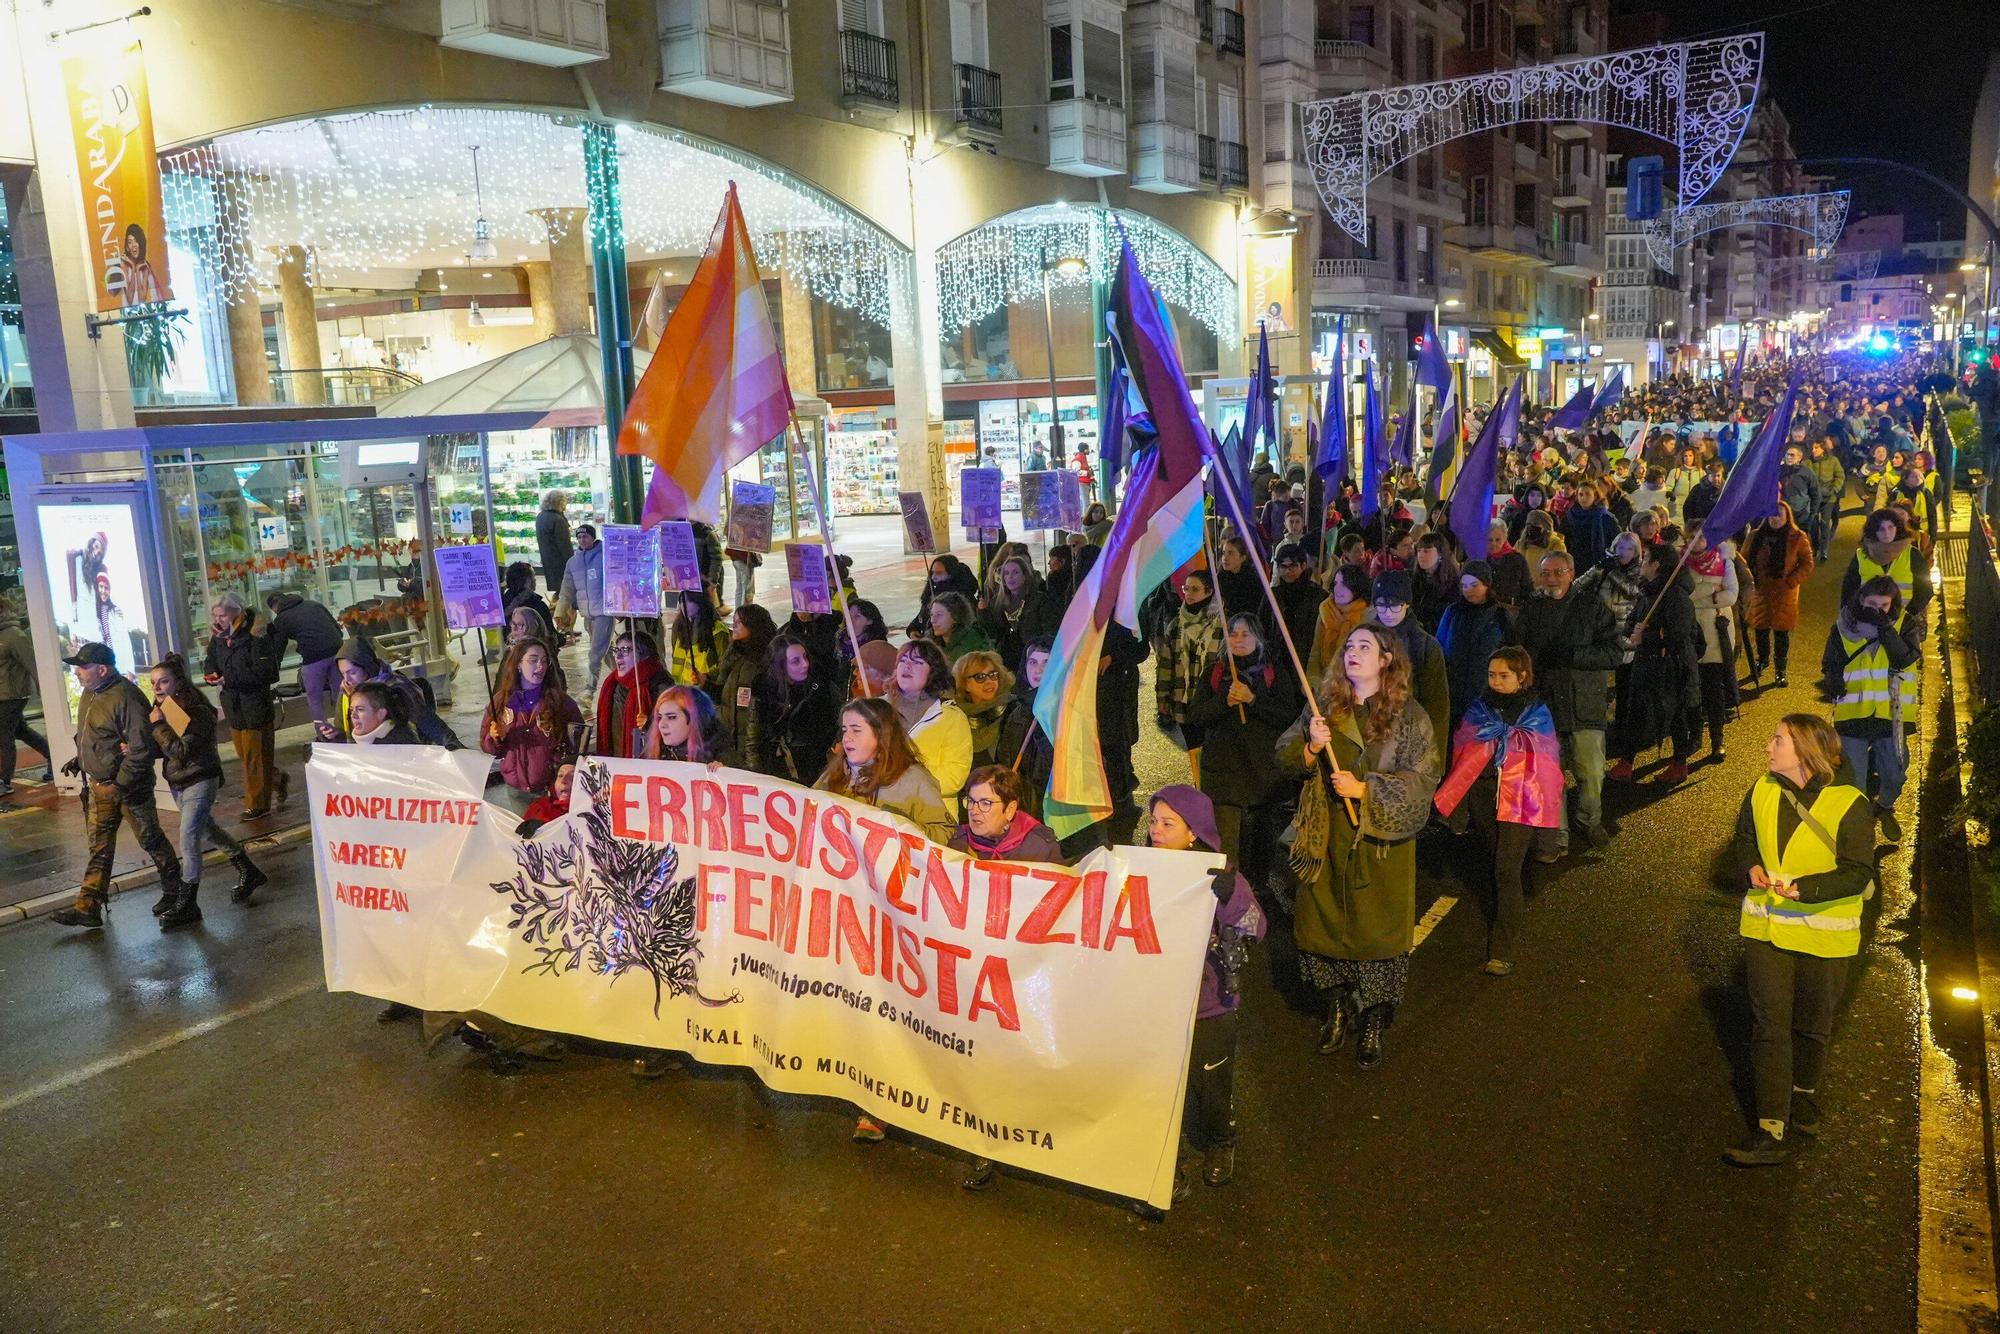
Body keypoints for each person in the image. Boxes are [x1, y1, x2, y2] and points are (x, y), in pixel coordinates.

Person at [1278, 624, 1441, 1069]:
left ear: (1386, 659)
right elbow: (1284, 755)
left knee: (1377, 938)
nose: (1353, 652)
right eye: (1348, 646)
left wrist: (1365, 789)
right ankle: (1335, 1006)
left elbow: (1423, 781)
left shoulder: (1411, 718)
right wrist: (1311, 746)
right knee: (1321, 930)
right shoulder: (1324, 707)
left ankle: (1372, 1018)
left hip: (1379, 848)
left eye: (1364, 646)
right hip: (1326, 841)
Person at [1723, 714, 1876, 1167]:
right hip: (1768, 929)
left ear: (1806, 750)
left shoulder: (1849, 803)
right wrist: (1750, 865)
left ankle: (1804, 1096)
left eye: (1778, 740)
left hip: (1825, 936)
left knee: (1811, 1025)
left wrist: (1807, 889)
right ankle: (1772, 1128)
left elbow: (1858, 872)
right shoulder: (1762, 788)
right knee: (1770, 1026)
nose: (1768, 747)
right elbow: (1744, 837)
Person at [818, 696, 955, 1141]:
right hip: (845, 912)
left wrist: (890, 828)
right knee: (850, 1004)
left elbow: (945, 837)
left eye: (857, 729)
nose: (847, 738)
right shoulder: (838, 775)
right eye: (844, 730)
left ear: (882, 734)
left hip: (891, 918)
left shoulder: (912, 781)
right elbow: (802, 812)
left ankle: (878, 1104)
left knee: (885, 1010)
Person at [1144, 784, 1266, 1198]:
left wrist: (1230, 899)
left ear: (1193, 832)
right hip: (1157, 1004)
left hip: (1210, 1003)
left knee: (1211, 1083)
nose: (1156, 830)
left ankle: (1220, 1140)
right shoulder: (1139, 868)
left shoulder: (1220, 874)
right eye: (1153, 821)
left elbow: (1256, 926)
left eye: (1167, 823)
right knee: (1161, 1084)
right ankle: (1169, 1160)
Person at [1434, 646, 1564, 973]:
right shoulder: (1479, 709)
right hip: (1484, 795)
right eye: (1492, 675)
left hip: (1520, 796)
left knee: (1506, 869)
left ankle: (1502, 949)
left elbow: (1546, 757)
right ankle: (1505, 912)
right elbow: (1463, 751)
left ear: (1522, 676)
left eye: (1503, 675)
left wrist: (1509, 741)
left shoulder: (1536, 712)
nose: (1496, 681)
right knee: (1496, 863)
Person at [51, 644, 187, 930]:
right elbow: (95, 734)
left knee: (150, 839)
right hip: (100, 786)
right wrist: (82, 759)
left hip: (128, 788)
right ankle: (88, 906)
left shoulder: (127, 697)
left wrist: (121, 783)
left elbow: (140, 749)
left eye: (82, 667)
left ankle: (176, 892)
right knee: (99, 848)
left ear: (102, 669)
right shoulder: (91, 693)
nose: (76, 672)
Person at [1509, 550, 1621, 852]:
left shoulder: (1592, 607)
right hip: (1544, 706)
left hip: (1584, 705)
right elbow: (1516, 652)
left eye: (1559, 572)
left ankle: (1589, 820)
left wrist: (1574, 656)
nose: (1552, 579)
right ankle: (1557, 835)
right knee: (1549, 776)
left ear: (1571, 573)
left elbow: (1614, 653)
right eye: (1546, 573)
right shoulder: (1532, 610)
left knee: (1592, 774)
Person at [145, 654, 266, 924]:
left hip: (200, 779)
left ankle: (188, 904)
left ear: (178, 682)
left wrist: (157, 724)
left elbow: (181, 751)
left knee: (189, 839)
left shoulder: (195, 711)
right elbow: (165, 748)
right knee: (209, 830)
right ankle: (249, 870)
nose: (157, 688)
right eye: (153, 683)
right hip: (180, 782)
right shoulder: (167, 709)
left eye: (163, 681)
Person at [1183, 614, 1297, 893]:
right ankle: (1228, 896)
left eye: (1246, 634)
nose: (1239, 640)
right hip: (1223, 772)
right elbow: (1196, 716)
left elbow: (1288, 715)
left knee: (1260, 835)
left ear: (1258, 638)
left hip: (1262, 772)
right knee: (1225, 840)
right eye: (1233, 634)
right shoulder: (1215, 672)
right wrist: (1225, 700)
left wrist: (1253, 700)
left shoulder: (1273, 673)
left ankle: (1258, 889)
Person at [1818, 576, 1920, 843]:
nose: (1876, 610)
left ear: (1892, 604)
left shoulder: (1904, 624)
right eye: (1871, 603)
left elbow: (1906, 658)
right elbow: (1830, 662)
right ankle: (1859, 829)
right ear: (1861, 599)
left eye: (1883, 605)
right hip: (1854, 716)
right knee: (1854, 781)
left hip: (1890, 717)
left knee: (1896, 775)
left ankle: (1884, 807)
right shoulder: (1844, 625)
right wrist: (1833, 681)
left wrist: (1885, 629)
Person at [1611, 543, 1699, 786]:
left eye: (1645, 559)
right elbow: (1632, 621)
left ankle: (1679, 764)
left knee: (1675, 714)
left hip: (1669, 665)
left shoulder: (1676, 595)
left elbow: (1680, 634)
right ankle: (1627, 761)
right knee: (1635, 711)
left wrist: (1648, 636)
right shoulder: (1649, 591)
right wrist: (1634, 631)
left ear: (1656, 565)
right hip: (1645, 661)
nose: (1641, 563)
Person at [480, 639, 583, 809]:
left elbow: (578, 741)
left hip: (551, 790)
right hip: (517, 791)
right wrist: (494, 737)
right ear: (519, 664)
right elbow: (490, 750)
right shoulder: (500, 702)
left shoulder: (561, 702)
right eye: (533, 660)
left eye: (544, 660)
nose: (540, 666)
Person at [888, 639, 973, 811]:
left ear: (933, 672)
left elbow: (955, 776)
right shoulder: (876, 710)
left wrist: (905, 775)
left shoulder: (951, 718)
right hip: (884, 816)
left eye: (917, 662)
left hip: (933, 817)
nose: (907, 666)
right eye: (903, 660)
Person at [1155, 569, 1223, 777]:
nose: (1189, 594)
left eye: (1195, 589)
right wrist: (1163, 697)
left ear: (1209, 591)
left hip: (1211, 701)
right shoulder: (1177, 625)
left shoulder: (1221, 626)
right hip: (1184, 699)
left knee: (1213, 750)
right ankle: (1199, 785)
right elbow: (1166, 664)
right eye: (1186, 588)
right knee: (1194, 750)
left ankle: (1213, 790)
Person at [1741, 502, 1813, 688]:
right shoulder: (1757, 536)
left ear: (1787, 516)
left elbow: (1807, 564)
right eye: (1772, 515)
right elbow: (1744, 559)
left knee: (1782, 633)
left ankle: (1780, 669)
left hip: (1784, 593)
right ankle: (1762, 659)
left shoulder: (1797, 537)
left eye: (1780, 515)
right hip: (1761, 590)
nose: (1775, 519)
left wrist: (1791, 581)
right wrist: (1750, 580)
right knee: (1761, 628)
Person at [1687, 533, 1741, 761]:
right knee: (1692, 688)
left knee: (1713, 688)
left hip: (1715, 633)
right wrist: (1711, 592)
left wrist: (1697, 599)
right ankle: (1695, 736)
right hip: (1690, 631)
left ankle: (1717, 739)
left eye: (1701, 537)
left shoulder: (1724, 561)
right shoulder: (1682, 562)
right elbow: (1681, 593)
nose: (1697, 542)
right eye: (1692, 537)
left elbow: (1731, 595)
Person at [1437, 562, 1511, 726]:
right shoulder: (1453, 612)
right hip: (1452, 694)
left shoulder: (1500, 616)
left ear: (1487, 585)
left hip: (1485, 695)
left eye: (1474, 585)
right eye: (1464, 585)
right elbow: (1439, 647)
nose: (1468, 590)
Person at [763, 633, 842, 785]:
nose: (805, 664)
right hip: (779, 779)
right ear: (781, 666)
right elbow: (754, 741)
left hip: (819, 776)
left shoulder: (823, 688)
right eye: (795, 661)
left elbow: (839, 725)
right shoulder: (764, 692)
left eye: (805, 657)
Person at [1840, 507, 1931, 638]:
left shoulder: (1912, 554)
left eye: (1890, 527)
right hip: (1868, 623)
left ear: (1898, 528)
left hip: (1903, 625)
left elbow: (1925, 589)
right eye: (1881, 529)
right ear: (1873, 531)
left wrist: (1907, 616)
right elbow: (1848, 590)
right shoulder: (1861, 556)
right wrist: (1850, 618)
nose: (1886, 533)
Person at [263, 588, 343, 728]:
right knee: (341, 692)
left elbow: (278, 648)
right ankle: (346, 728)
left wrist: (272, 672)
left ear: (274, 608)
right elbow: (337, 629)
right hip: (337, 651)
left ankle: (324, 734)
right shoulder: (314, 604)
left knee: (314, 698)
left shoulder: (281, 619)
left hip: (313, 658)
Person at [994, 637, 1054, 817]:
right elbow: (1004, 756)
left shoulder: (1065, 711)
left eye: (1047, 663)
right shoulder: (1017, 709)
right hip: (1021, 804)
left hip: (1050, 808)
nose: (1039, 670)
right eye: (1033, 662)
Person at [713, 604, 776, 773]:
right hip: (728, 746)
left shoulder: (764, 662)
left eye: (739, 622)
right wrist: (704, 684)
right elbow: (722, 696)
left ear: (753, 626)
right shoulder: (732, 656)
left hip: (749, 749)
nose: (734, 625)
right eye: (734, 621)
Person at [555, 523, 612, 693]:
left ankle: (589, 690)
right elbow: (566, 589)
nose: (582, 540)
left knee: (595, 653)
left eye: (585, 536)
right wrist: (560, 611)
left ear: (593, 537)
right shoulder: (573, 563)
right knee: (605, 651)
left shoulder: (604, 556)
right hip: (587, 614)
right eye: (579, 537)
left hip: (604, 612)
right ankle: (625, 677)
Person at [0, 598, 49, 795]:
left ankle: (4, 780)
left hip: (13, 695)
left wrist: (43, 689)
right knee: (21, 731)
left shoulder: (14, 636)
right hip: (3, 695)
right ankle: (53, 756)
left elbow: (32, 664)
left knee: (4, 735)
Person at [595, 630, 667, 759]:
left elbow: (675, 727)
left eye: (626, 650)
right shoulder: (612, 684)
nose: (618, 656)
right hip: (615, 763)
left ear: (644, 655)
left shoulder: (661, 686)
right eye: (616, 650)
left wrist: (650, 724)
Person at [978, 555, 1056, 674]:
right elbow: (993, 633)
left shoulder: (1039, 599)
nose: (1010, 577)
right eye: (1007, 573)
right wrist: (983, 612)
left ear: (1025, 576)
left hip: (1034, 657)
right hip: (1007, 660)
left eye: (1015, 572)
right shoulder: (997, 603)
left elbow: (1049, 630)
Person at [1307, 564, 1371, 682]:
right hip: (1325, 682)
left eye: (1344, 585)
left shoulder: (1367, 616)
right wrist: (1313, 679)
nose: (1338, 589)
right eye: (1336, 584)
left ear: (1356, 588)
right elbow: (1315, 651)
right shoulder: (1326, 611)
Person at [952, 650, 1013, 771]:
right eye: (980, 677)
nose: (989, 681)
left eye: (993, 675)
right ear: (965, 684)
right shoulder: (954, 717)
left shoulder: (1013, 711)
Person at [640, 685, 729, 763]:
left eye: (671, 717)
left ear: (695, 719)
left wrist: (724, 773)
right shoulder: (653, 752)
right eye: (659, 717)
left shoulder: (723, 757)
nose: (662, 725)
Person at [1266, 542, 1326, 657]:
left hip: (1306, 657)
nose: (1287, 571)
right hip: (1278, 659)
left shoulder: (1317, 595)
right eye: (1283, 566)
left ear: (1303, 565)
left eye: (1292, 566)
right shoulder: (1272, 596)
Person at [908, 555, 981, 638]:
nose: (933, 577)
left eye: (939, 573)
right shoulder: (931, 594)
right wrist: (913, 630)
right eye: (932, 573)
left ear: (952, 575)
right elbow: (922, 616)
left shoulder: (961, 601)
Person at [668, 589, 728, 688]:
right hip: (682, 691)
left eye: (689, 601)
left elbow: (724, 665)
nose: (684, 605)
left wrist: (706, 678)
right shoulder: (679, 627)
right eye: (682, 601)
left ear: (700, 601)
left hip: (704, 691)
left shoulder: (717, 630)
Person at [1561, 481, 1621, 575]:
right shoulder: (1571, 515)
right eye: (1580, 494)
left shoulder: (1604, 517)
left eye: (1588, 494)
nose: (1584, 498)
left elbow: (1616, 541)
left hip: (1596, 565)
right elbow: (1564, 538)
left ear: (1595, 496)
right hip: (1574, 562)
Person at [1407, 534, 1460, 633]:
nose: (1421, 555)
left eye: (1427, 551)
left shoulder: (1453, 585)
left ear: (1440, 554)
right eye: (1419, 551)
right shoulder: (1412, 580)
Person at [925, 591, 992, 663]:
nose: (933, 620)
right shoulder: (930, 643)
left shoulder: (972, 646)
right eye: (932, 615)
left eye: (939, 615)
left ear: (955, 617)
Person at [535, 489, 573, 596]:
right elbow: (564, 544)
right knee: (565, 592)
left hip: (548, 559)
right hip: (559, 561)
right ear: (560, 502)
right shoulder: (558, 519)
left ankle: (557, 609)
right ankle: (559, 612)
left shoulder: (541, 516)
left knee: (559, 590)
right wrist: (572, 562)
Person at [501, 561, 552, 630]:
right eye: (533, 577)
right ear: (527, 581)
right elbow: (550, 634)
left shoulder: (502, 603)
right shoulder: (537, 605)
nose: (535, 580)